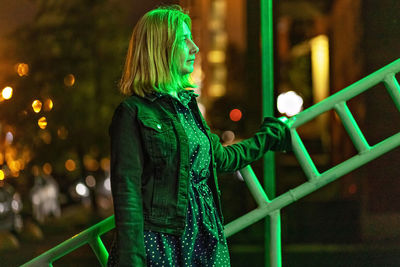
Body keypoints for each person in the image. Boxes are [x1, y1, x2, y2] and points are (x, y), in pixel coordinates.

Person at [108, 5, 291, 267]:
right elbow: (127, 194)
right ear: (161, 48)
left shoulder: (189, 108)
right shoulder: (132, 113)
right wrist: (132, 259)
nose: (194, 47)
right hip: (162, 243)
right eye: (184, 40)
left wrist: (266, 138)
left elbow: (221, 157)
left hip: (205, 235)